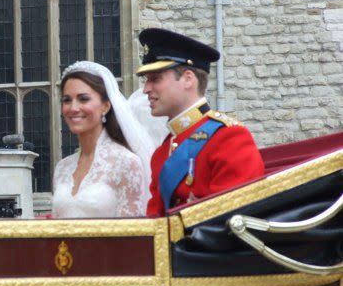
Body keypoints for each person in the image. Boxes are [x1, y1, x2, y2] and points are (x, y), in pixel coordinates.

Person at [136, 28, 264, 217]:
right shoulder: (163, 152)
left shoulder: (229, 138)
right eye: (147, 80)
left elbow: (236, 219)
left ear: (188, 79)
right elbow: (156, 223)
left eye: (155, 79)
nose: (146, 89)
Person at [52, 61, 159, 218]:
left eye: (83, 99)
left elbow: (132, 235)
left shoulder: (126, 162)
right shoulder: (62, 167)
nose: (73, 108)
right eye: (67, 100)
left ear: (106, 106)